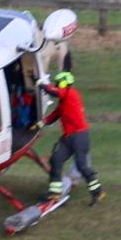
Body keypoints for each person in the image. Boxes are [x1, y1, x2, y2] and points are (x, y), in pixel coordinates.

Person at [39, 71, 101, 204]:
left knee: (81, 165)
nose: (56, 86)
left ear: (63, 83)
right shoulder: (63, 102)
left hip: (80, 136)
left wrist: (42, 85)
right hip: (68, 137)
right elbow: (54, 116)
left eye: (58, 83)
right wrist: (41, 123)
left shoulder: (71, 93)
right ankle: (55, 193)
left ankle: (97, 192)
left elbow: (55, 92)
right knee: (56, 159)